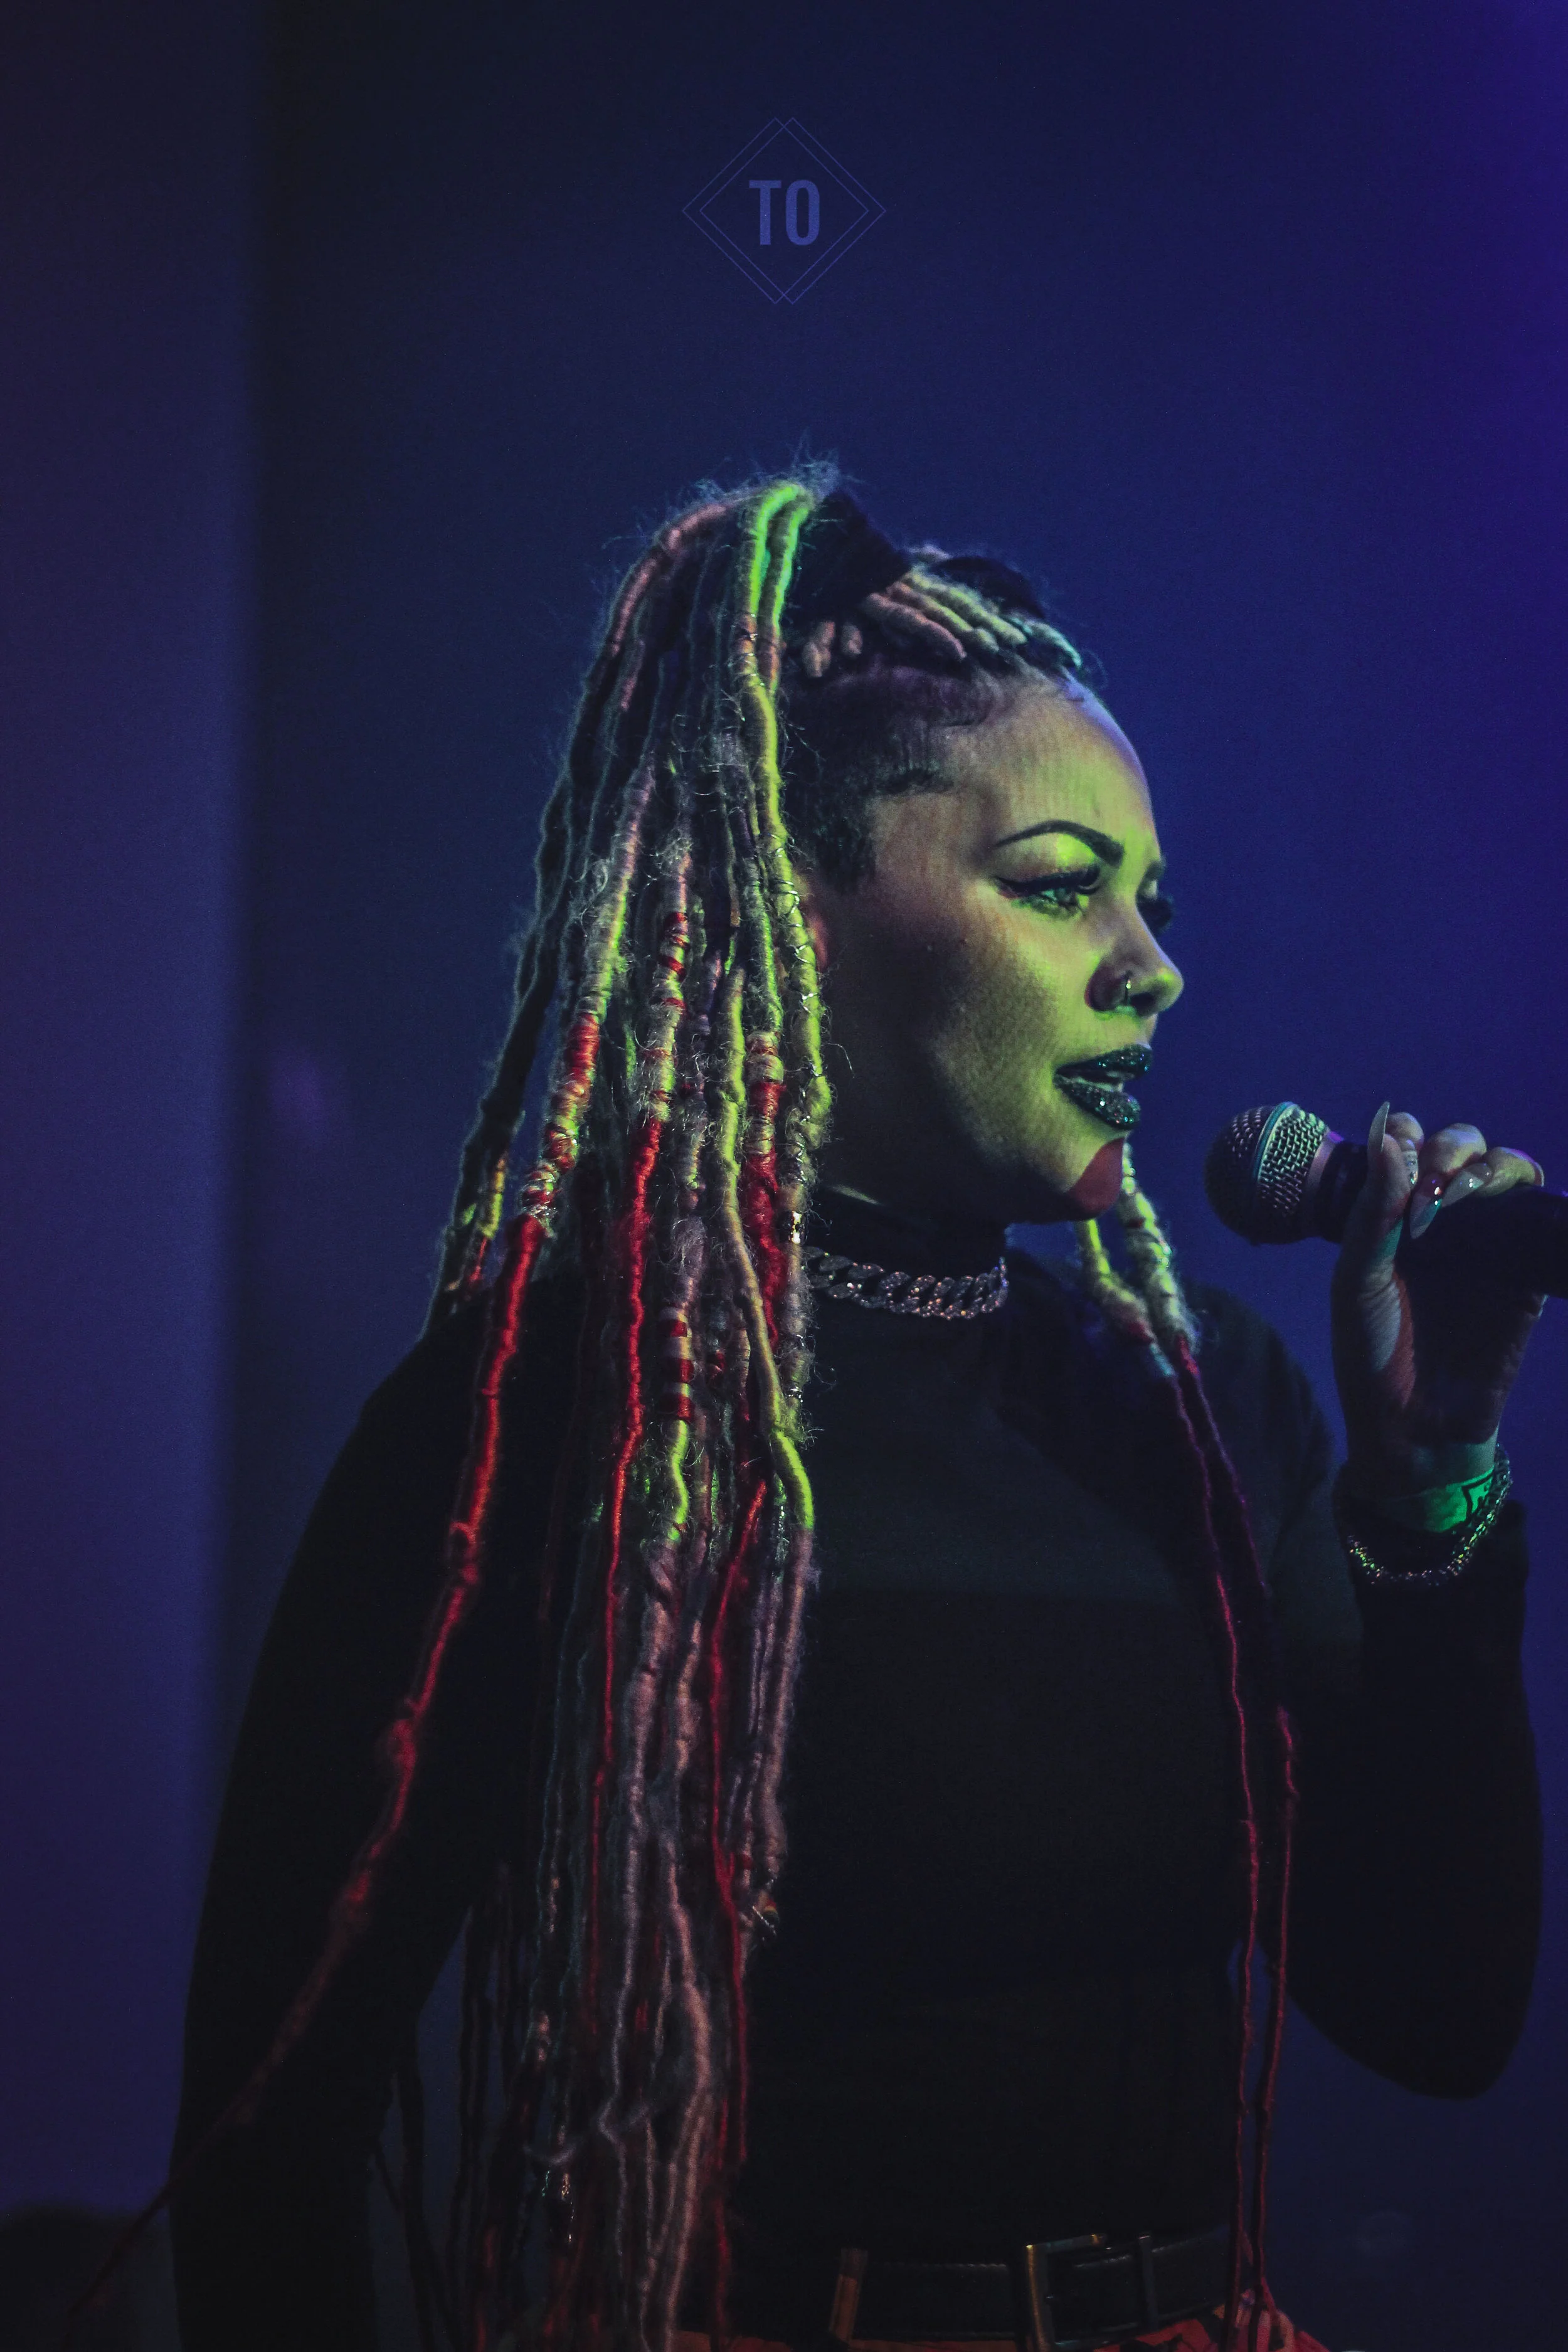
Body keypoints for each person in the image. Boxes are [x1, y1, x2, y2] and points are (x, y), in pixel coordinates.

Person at [167, 479, 1545, 2352]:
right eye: (1062, 885)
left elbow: (1439, 2014)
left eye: (1152, 902)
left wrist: (1433, 1479)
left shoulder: (1194, 1389)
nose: (1151, 964)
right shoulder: (555, 1417)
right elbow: (271, 2140)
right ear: (794, 910)